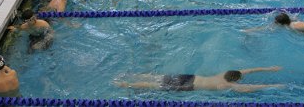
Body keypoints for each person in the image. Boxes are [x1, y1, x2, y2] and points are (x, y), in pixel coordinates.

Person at [115, 66, 283, 93]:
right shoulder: (226, 85)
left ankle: (131, 74)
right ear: (236, 80)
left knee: (159, 78)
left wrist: (268, 68)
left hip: (190, 77)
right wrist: (272, 85)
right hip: (190, 86)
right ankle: (125, 84)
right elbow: (249, 88)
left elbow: (246, 70)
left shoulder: (223, 74)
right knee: (156, 86)